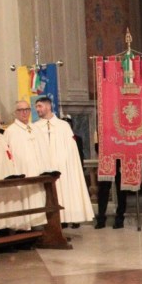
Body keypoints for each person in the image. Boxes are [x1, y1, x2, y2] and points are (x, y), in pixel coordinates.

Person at [33, 97, 94, 229]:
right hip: (44, 170)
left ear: (48, 107)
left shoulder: (63, 126)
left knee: (64, 196)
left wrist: (64, 165)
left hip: (63, 170)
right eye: (36, 107)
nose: (37, 109)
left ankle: (63, 221)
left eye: (39, 106)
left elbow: (71, 151)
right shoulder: (34, 127)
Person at [3, 100, 48, 229]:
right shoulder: (10, 131)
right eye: (21, 110)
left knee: (39, 200)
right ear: (15, 113)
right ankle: (25, 229)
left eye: (27, 110)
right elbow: (8, 156)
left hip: (39, 172)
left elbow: (43, 150)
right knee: (24, 202)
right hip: (22, 173)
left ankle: (40, 226)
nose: (24, 113)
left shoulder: (36, 128)